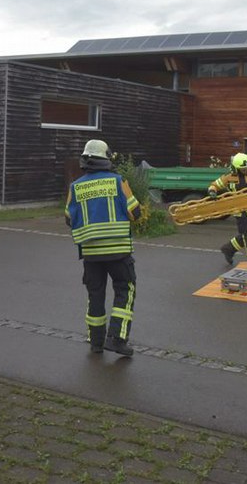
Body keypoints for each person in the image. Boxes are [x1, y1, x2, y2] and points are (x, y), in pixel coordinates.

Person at [65, 139, 143, 356]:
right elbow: (135, 213)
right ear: (106, 159)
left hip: (91, 255)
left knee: (95, 295)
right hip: (118, 252)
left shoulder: (75, 187)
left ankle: (96, 342)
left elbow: (69, 218)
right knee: (125, 290)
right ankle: (117, 339)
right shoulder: (118, 182)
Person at [207, 152, 247, 270]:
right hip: (240, 213)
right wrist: (212, 191)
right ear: (236, 168)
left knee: (246, 236)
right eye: (243, 169)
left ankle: (228, 249)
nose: (245, 170)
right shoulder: (228, 177)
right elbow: (214, 185)